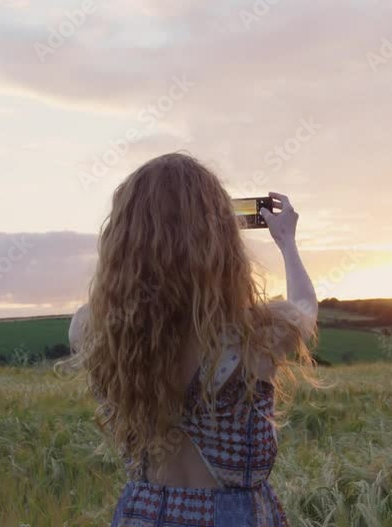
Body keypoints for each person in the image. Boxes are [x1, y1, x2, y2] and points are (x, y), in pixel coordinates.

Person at [67, 152, 318, 526]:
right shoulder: (259, 334)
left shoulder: (92, 329)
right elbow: (305, 305)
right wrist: (287, 243)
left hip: (140, 515)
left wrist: (139, 252)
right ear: (222, 240)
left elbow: (127, 297)